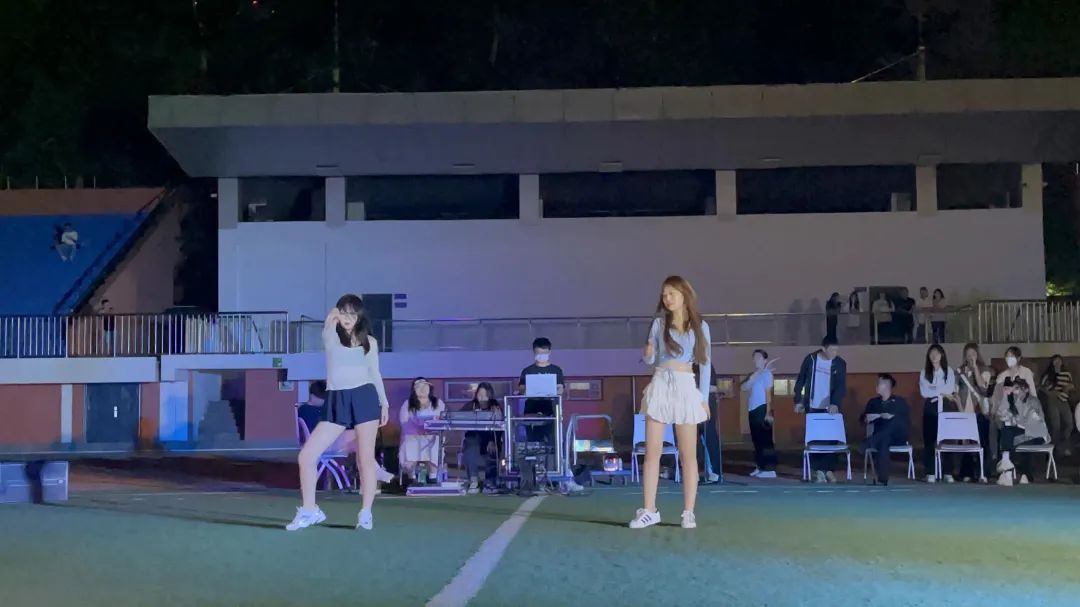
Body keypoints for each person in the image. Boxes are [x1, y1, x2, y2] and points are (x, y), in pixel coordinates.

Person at [286, 294, 389, 532]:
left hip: (364, 397)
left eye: (353, 313)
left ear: (360, 316)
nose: (347, 318)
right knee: (307, 456)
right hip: (337, 398)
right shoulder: (331, 336)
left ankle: (366, 512)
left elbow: (375, 374)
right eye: (344, 312)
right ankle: (310, 510)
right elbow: (330, 320)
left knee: (365, 459)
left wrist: (384, 403)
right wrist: (336, 313)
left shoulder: (370, 342)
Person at [630, 276, 711, 530]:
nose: (667, 298)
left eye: (672, 293)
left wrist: (704, 398)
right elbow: (650, 359)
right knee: (652, 452)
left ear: (684, 294)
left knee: (688, 455)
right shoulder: (658, 324)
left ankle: (688, 512)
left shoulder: (700, 325)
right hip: (661, 383)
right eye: (664, 294)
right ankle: (649, 510)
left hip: (686, 386)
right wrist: (647, 355)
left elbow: (705, 363)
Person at [793, 336, 847, 483]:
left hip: (831, 409)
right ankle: (818, 471)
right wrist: (798, 401)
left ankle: (828, 470)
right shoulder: (810, 360)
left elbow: (841, 386)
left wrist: (835, 403)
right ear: (823, 349)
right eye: (832, 350)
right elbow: (801, 381)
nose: (835, 353)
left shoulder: (839, 363)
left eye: (836, 350)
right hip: (813, 407)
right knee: (815, 440)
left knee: (831, 440)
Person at [994, 378, 1050, 486]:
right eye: (1013, 389)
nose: (1015, 391)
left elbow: (1031, 420)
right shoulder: (1013, 399)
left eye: (1017, 388)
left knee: (1010, 438)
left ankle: (1007, 468)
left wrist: (1014, 419)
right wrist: (1005, 396)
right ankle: (1009, 469)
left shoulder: (1034, 401)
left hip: (1037, 434)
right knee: (1006, 432)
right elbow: (1001, 414)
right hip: (1022, 432)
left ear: (1026, 389)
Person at [861, 374, 911, 486]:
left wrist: (890, 417)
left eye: (879, 383)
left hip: (898, 437)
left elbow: (905, 422)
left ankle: (870, 441)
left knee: (896, 420)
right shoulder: (873, 402)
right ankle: (883, 479)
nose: (876, 386)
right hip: (882, 437)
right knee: (884, 441)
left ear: (887, 386)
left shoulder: (900, 402)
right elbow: (863, 418)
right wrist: (868, 418)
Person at [919, 344, 959, 483]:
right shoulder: (924, 372)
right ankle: (930, 472)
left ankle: (948, 472)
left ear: (942, 355)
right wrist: (941, 391)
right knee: (930, 440)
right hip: (930, 407)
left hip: (946, 406)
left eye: (937, 353)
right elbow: (925, 392)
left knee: (947, 439)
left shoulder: (948, 371)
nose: (934, 356)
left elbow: (950, 389)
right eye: (931, 353)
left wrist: (936, 390)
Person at [956, 343, 994, 481]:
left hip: (979, 411)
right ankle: (967, 473)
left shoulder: (985, 370)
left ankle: (983, 472)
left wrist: (975, 368)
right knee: (965, 443)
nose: (970, 356)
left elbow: (983, 387)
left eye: (973, 354)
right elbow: (956, 392)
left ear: (977, 355)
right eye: (968, 354)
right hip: (964, 411)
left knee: (982, 442)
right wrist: (960, 409)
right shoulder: (959, 371)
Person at [517, 337, 565, 445]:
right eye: (539, 353)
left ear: (549, 352)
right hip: (531, 411)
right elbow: (521, 388)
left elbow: (561, 389)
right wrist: (529, 389)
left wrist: (551, 390)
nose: (541, 356)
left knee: (552, 442)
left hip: (550, 411)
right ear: (534, 352)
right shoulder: (527, 370)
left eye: (544, 353)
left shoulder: (556, 370)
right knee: (532, 442)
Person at [398, 377, 446, 484]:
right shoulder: (407, 404)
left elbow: (443, 420)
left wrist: (431, 428)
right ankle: (411, 477)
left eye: (425, 386)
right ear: (413, 390)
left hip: (432, 435)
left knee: (435, 444)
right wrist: (419, 430)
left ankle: (433, 476)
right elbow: (404, 423)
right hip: (413, 436)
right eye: (418, 387)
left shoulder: (438, 403)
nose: (422, 389)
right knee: (410, 444)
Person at [741, 349, 777, 478]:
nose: (756, 360)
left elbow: (768, 395)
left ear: (765, 360)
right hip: (752, 410)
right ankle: (760, 466)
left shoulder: (767, 374)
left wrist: (768, 413)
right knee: (756, 440)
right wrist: (756, 373)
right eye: (754, 357)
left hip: (762, 409)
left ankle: (770, 470)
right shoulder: (754, 375)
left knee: (765, 440)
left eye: (759, 357)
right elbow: (743, 387)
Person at [461, 382, 503, 493]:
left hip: (490, 439)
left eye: (485, 395)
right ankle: (474, 479)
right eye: (479, 395)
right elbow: (458, 416)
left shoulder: (496, 406)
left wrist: (493, 441)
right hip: (474, 438)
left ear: (490, 396)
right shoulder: (471, 405)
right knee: (470, 443)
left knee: (493, 449)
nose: (482, 398)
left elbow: (500, 428)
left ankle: (490, 481)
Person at [1040, 354, 1075, 456]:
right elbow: (1041, 388)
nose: (1057, 362)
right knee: (1056, 425)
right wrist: (1052, 393)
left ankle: (1064, 445)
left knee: (1069, 423)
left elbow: (1072, 386)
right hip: (1053, 400)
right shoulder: (1048, 374)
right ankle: (1055, 448)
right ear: (1052, 362)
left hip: (1064, 400)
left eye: (1059, 360)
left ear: (1062, 362)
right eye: (1055, 360)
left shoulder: (1067, 374)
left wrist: (1070, 387)